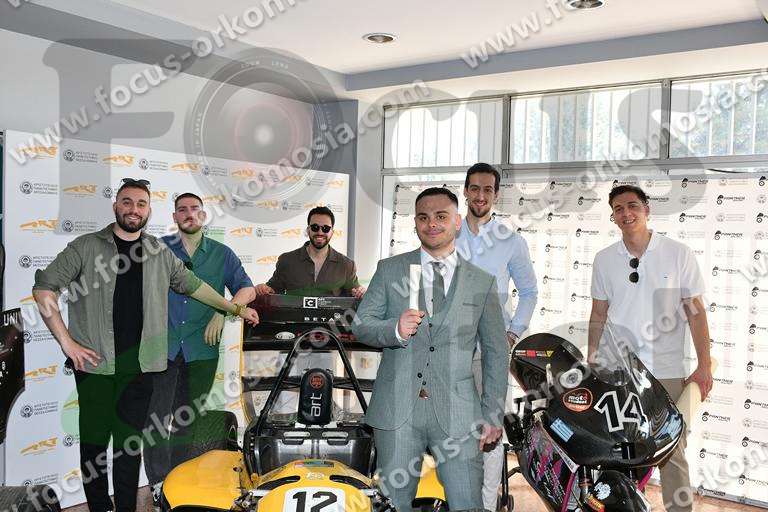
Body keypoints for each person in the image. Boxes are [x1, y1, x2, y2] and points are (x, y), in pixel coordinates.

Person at [32, 179, 259, 512]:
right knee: (94, 447)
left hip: (142, 368)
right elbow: (44, 288)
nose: (133, 209)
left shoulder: (158, 252)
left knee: (129, 448)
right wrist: (67, 343)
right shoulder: (86, 246)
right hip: (95, 367)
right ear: (115, 206)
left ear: (149, 210)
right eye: (127, 202)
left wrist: (234, 309)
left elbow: (195, 287)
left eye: (140, 204)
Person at [353, 187, 508, 511]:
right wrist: (395, 329)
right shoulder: (391, 270)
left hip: (459, 414)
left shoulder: (481, 281)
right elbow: (362, 325)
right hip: (396, 411)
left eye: (441, 216)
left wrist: (493, 412)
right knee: (392, 503)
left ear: (457, 222)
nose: (431, 224)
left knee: (467, 503)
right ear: (415, 223)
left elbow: (496, 352)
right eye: (423, 217)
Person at [587, 184, 713, 512]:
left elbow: (696, 312)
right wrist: (592, 357)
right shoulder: (604, 259)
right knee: (619, 450)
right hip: (619, 371)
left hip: (666, 371)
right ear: (613, 217)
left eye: (632, 206)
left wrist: (704, 365)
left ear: (646, 209)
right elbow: (598, 314)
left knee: (672, 451)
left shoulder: (678, 253)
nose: (626, 213)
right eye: (618, 209)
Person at [144, 192, 256, 504]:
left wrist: (223, 311)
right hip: (161, 348)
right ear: (175, 217)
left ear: (203, 215)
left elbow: (247, 289)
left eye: (195, 209)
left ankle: (178, 480)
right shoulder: (158, 250)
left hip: (202, 350)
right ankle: (157, 483)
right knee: (156, 419)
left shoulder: (222, 253)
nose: (189, 214)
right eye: (182, 210)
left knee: (187, 420)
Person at [457, 162, 537, 510]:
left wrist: (513, 332)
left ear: (496, 194)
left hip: (492, 351)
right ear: (465, 191)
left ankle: (487, 506)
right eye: (474, 188)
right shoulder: (446, 232)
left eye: (487, 189)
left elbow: (529, 291)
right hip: (449, 348)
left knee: (491, 431)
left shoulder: (511, 240)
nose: (480, 196)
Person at [255, 206, 365, 298]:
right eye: (315, 227)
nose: (320, 232)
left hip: (331, 319)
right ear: (308, 230)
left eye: (326, 228)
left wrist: (362, 293)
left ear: (332, 232)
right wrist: (263, 289)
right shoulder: (287, 261)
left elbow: (356, 295)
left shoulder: (346, 265)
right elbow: (272, 291)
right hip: (293, 318)